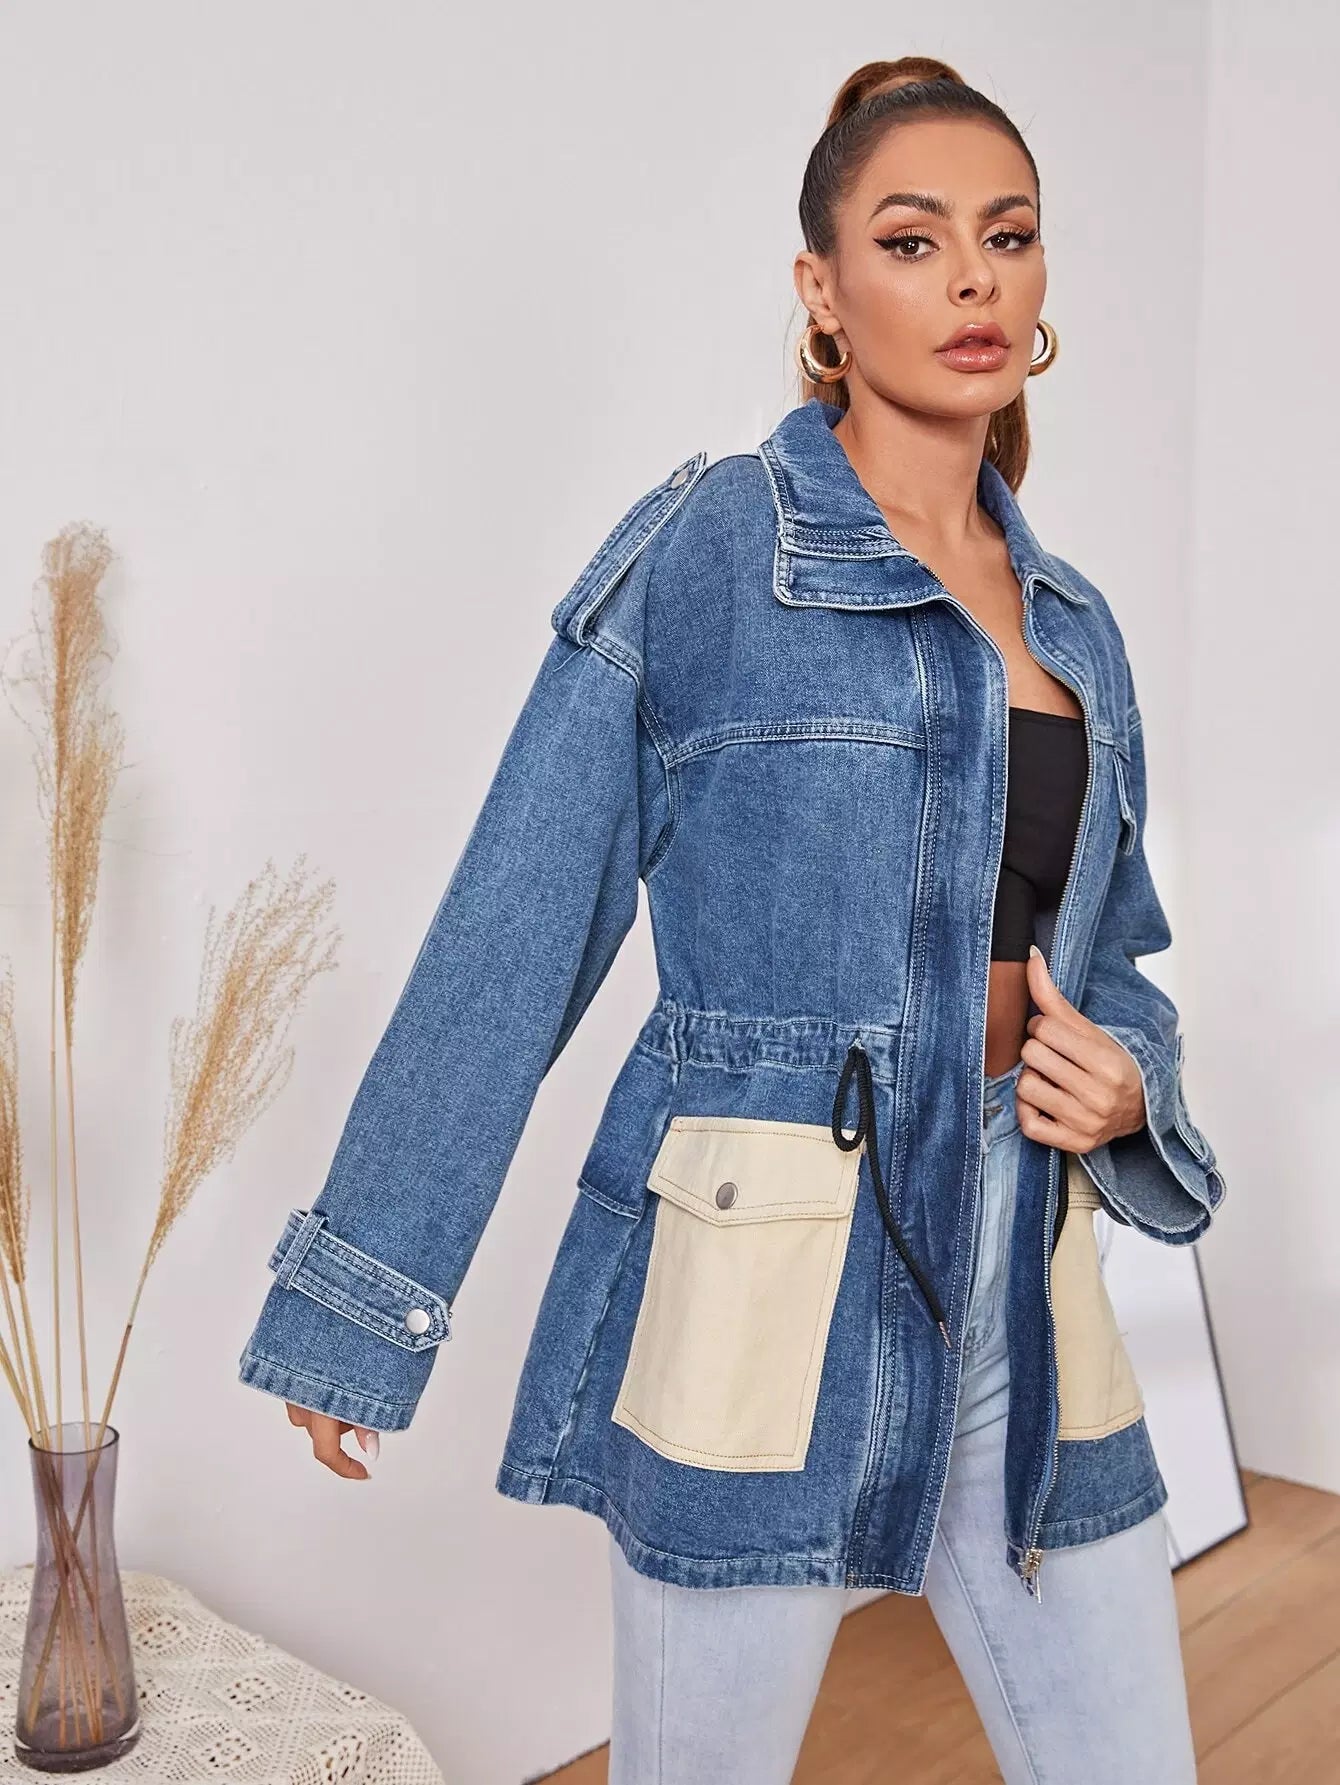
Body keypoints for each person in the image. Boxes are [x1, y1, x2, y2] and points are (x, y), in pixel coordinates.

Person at [238, 53, 1225, 1785]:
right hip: (767, 1279)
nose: (973, 280)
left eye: (1008, 237)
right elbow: (518, 917)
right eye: (912, 241)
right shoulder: (713, 547)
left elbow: (1119, 949)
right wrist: (365, 1296)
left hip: (1027, 1264)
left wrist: (1131, 1074)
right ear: (821, 291)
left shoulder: (1076, 620)